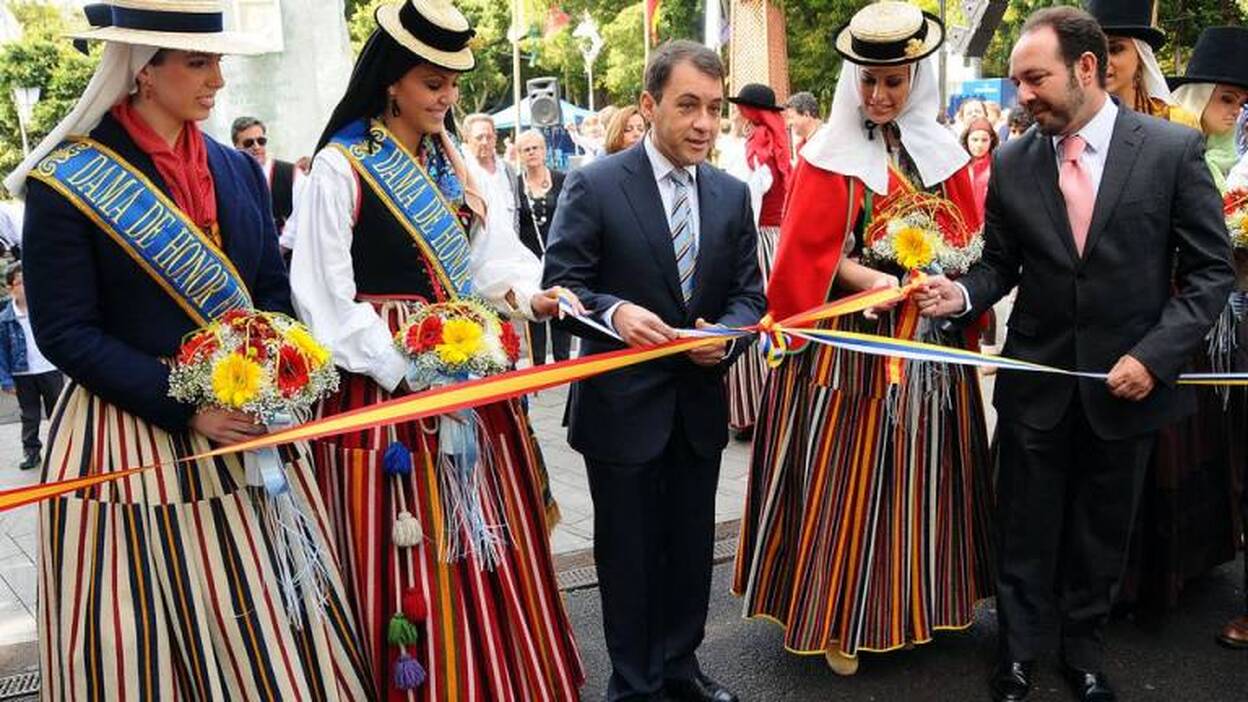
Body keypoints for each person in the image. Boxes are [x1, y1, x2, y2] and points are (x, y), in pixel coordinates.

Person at [6, 1, 373, 697]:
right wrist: (188, 407)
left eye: (217, 61)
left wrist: (273, 373)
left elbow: (268, 290)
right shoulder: (67, 180)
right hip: (128, 438)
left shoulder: (236, 169)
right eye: (199, 62)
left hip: (246, 426)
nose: (217, 80)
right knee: (140, 635)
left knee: (270, 625)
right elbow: (66, 332)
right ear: (143, 71)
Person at [915, 7, 1233, 701]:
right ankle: (1017, 653)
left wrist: (1154, 357)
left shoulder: (1170, 151)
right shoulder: (1012, 160)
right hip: (1037, 385)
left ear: (1086, 68)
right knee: (1024, 527)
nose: (1023, 95)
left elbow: (1210, 273)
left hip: (1128, 388)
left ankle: (1084, 653)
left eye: (1036, 78)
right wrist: (960, 295)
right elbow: (999, 266)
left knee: (1102, 530)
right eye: (1017, 81)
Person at [289, 1, 584, 698]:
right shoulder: (341, 165)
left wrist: (532, 296)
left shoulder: (450, 161)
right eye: (432, 83)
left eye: (452, 83)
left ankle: (501, 678)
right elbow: (323, 297)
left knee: (489, 533)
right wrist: (408, 368)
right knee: (411, 544)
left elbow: (486, 261)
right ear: (392, 80)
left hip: (465, 368)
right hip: (386, 383)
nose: (447, 97)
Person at [734, 1, 993, 677]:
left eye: (894, 81)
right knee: (847, 479)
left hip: (929, 342)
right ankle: (839, 616)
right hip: (851, 345)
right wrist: (866, 280)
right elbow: (805, 254)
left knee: (925, 472)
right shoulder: (828, 155)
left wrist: (942, 281)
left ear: (916, 78)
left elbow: (969, 242)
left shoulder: (942, 152)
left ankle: (921, 601)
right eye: (869, 81)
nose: (879, 95)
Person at [544, 39, 765, 702]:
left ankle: (680, 668)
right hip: (621, 412)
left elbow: (749, 297)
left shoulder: (730, 195)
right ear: (649, 104)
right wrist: (615, 315)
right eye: (688, 106)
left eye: (715, 109)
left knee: (690, 553)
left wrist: (726, 338)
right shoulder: (595, 184)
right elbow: (562, 287)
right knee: (628, 558)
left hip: (697, 410)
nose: (704, 123)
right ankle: (635, 684)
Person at [1164, 26, 1248, 649]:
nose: (1234, 111)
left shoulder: (1234, 160)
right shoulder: (1174, 149)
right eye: (1227, 98)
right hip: (1181, 324)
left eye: (1242, 103)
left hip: (1228, 325)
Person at [724, 83, 790, 440]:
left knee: (751, 316)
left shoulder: (755, 148)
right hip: (778, 241)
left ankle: (752, 409)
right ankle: (775, 403)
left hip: (758, 240)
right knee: (776, 320)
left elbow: (746, 204)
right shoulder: (779, 145)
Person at [1086, 0, 1199, 129]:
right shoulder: (1073, 122)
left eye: (1115, 49)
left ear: (1141, 56)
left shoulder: (1176, 122)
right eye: (1095, 49)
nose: (1103, 61)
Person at [515, 128, 571, 365]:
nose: (532, 153)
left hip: (559, 258)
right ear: (519, 154)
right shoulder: (515, 185)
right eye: (526, 149)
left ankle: (565, 368)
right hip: (529, 261)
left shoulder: (562, 180)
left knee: (562, 312)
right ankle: (538, 369)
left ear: (545, 150)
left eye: (536, 148)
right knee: (534, 313)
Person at [0, 263, 63, 471]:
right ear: (10, 288)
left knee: (58, 411)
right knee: (30, 415)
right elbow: (1, 352)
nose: (26, 287)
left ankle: (61, 449)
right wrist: (5, 380)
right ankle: (31, 451)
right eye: (20, 283)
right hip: (23, 374)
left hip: (49, 369)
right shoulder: (5, 320)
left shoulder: (45, 310)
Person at [231, 115, 306, 244]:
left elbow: (304, 215)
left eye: (261, 141)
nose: (256, 147)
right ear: (236, 147)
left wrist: (281, 247)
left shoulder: (292, 174)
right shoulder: (230, 179)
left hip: (290, 251)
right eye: (249, 143)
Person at [462, 112, 520, 236]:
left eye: (489, 137)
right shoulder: (461, 171)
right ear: (467, 139)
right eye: (479, 137)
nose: (485, 142)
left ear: (495, 138)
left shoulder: (507, 171)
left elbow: (516, 212)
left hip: (509, 245)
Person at [963, 117, 999, 221]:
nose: (979, 145)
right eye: (974, 140)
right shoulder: (959, 166)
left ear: (991, 140)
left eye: (984, 140)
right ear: (967, 139)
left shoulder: (997, 166)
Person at [784, 90, 821, 155]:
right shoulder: (801, 147)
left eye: (791, 117)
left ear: (806, 115)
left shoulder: (829, 141)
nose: (788, 123)